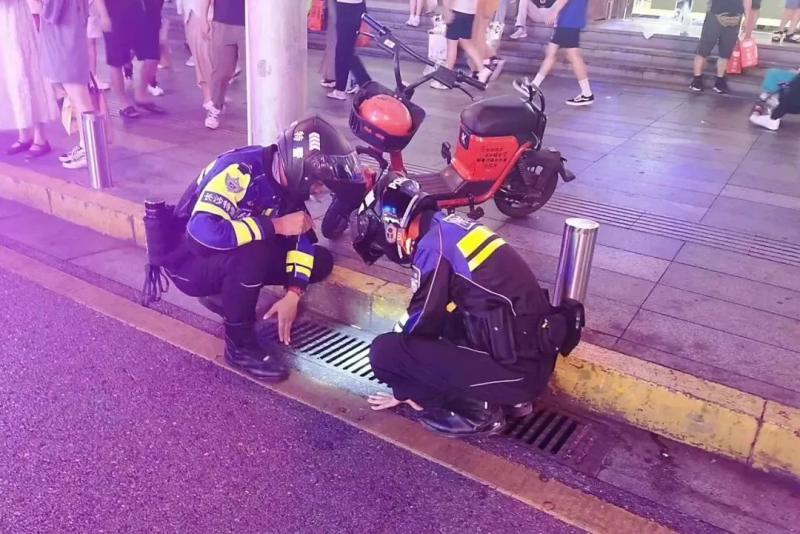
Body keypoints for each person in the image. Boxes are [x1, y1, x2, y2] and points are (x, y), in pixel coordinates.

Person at [357, 176, 581, 437]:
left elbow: (420, 322)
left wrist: (403, 386)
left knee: (386, 352)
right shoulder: (445, 227)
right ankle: (502, 399)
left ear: (390, 228)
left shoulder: (432, 247)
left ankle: (479, 412)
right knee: (444, 326)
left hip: (519, 372)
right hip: (529, 356)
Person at [164, 117, 364, 382]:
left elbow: (302, 238)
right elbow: (201, 235)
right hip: (188, 261)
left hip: (227, 251)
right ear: (302, 169)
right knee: (253, 251)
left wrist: (294, 293)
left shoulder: (286, 179)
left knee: (320, 261)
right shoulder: (240, 172)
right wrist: (276, 225)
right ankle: (239, 345)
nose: (320, 190)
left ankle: (227, 295)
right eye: (318, 182)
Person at [33, 0, 99, 169]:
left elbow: (48, 12)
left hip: (65, 41)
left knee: (80, 99)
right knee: (78, 98)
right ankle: (86, 144)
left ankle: (90, 150)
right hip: (69, 37)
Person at [0, 0, 59, 159]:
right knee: (12, 77)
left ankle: (40, 136)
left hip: (21, 18)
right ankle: (23, 133)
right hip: (5, 20)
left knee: (29, 71)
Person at [103, 0, 166, 119]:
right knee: (116, 60)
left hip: (143, 9)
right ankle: (123, 104)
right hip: (115, 11)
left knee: (152, 54)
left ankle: (141, 95)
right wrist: (103, 15)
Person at [530, 0, 594, 106]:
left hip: (568, 19)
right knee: (554, 52)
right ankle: (534, 86)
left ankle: (587, 93)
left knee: (571, 55)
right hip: (572, 18)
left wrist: (554, 13)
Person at [197, 0, 244, 129]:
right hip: (222, 22)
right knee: (222, 71)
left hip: (251, 23)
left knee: (255, 72)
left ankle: (261, 111)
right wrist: (203, 19)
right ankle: (215, 108)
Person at [690, 0, 752, 94]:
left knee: (726, 51)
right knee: (704, 49)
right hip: (715, 14)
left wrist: (747, 18)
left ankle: (720, 80)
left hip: (735, 17)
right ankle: (697, 79)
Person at [431, 0, 494, 90]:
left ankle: (445, 81)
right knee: (465, 42)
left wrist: (447, 10)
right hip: (469, 11)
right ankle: (482, 69)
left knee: (452, 46)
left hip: (458, 10)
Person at [328, 0, 372, 100]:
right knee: (347, 50)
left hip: (345, 7)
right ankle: (365, 83)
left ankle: (341, 89)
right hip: (359, 6)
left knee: (343, 51)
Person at [176, 0, 213, 110]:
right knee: (202, 52)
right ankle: (209, 95)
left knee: (214, 55)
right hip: (195, 10)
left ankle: (215, 93)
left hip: (220, 11)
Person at [86, 0, 110, 91]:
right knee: (91, 44)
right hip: (89, 8)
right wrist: (104, 15)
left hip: (83, 9)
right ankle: (92, 78)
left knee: (89, 44)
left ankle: (91, 78)